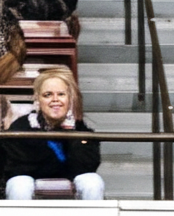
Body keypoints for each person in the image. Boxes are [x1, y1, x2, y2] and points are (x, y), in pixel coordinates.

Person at [1, 67, 103, 200]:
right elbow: (17, 169)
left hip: (68, 178)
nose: (55, 100)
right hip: (29, 182)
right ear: (38, 99)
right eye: (47, 95)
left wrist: (70, 134)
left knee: (93, 181)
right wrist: (59, 164)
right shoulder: (21, 126)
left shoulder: (80, 128)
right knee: (19, 184)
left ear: (69, 98)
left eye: (61, 94)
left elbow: (87, 167)